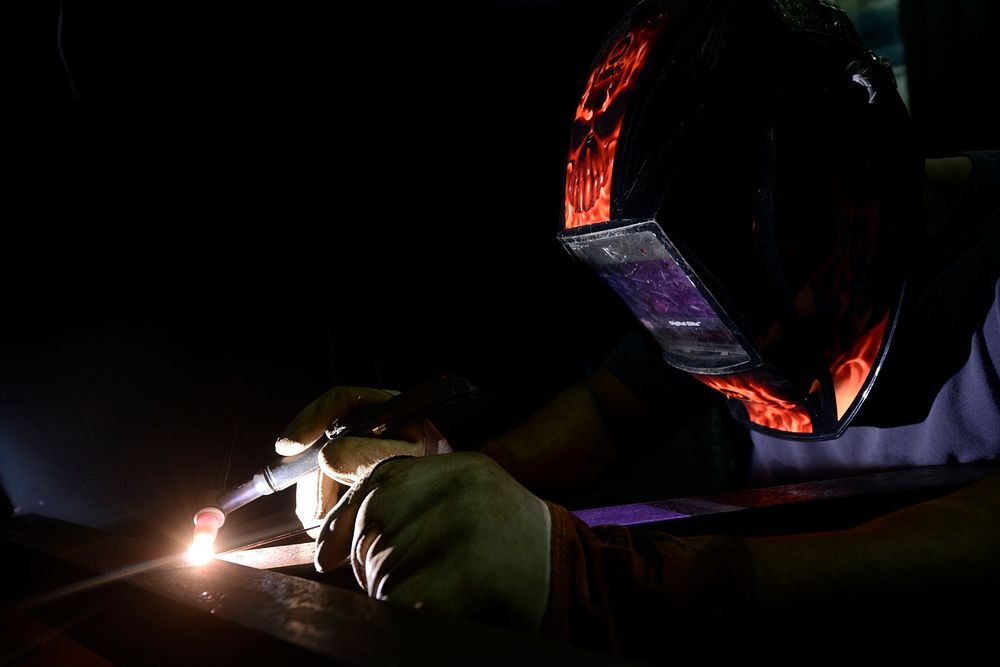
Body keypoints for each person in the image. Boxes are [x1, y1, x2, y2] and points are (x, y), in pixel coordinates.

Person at [275, 0, 1000, 656]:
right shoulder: (730, 278)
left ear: (846, 167)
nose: (741, 349)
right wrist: (437, 464)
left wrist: (621, 586)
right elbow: (609, 410)